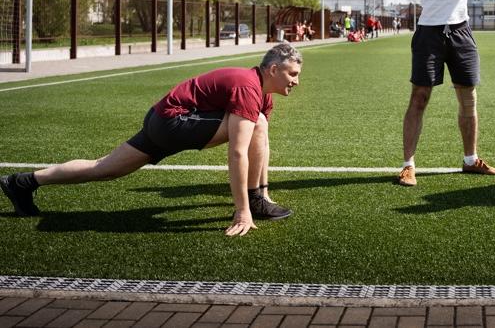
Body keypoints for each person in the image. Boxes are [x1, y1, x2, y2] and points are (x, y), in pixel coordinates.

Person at [0, 43, 303, 237]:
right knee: (256, 125)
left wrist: (263, 191)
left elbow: (257, 147)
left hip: (162, 121)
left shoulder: (262, 94)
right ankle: (254, 202)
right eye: (292, 73)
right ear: (273, 69)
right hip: (172, 121)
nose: (296, 81)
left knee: (103, 167)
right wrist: (243, 210)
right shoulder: (247, 87)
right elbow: (239, 152)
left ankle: (22, 183)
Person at [374, 0, 495, 186]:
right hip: (428, 33)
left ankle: (470, 160)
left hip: (461, 31)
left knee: (467, 97)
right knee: (419, 97)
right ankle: (408, 166)